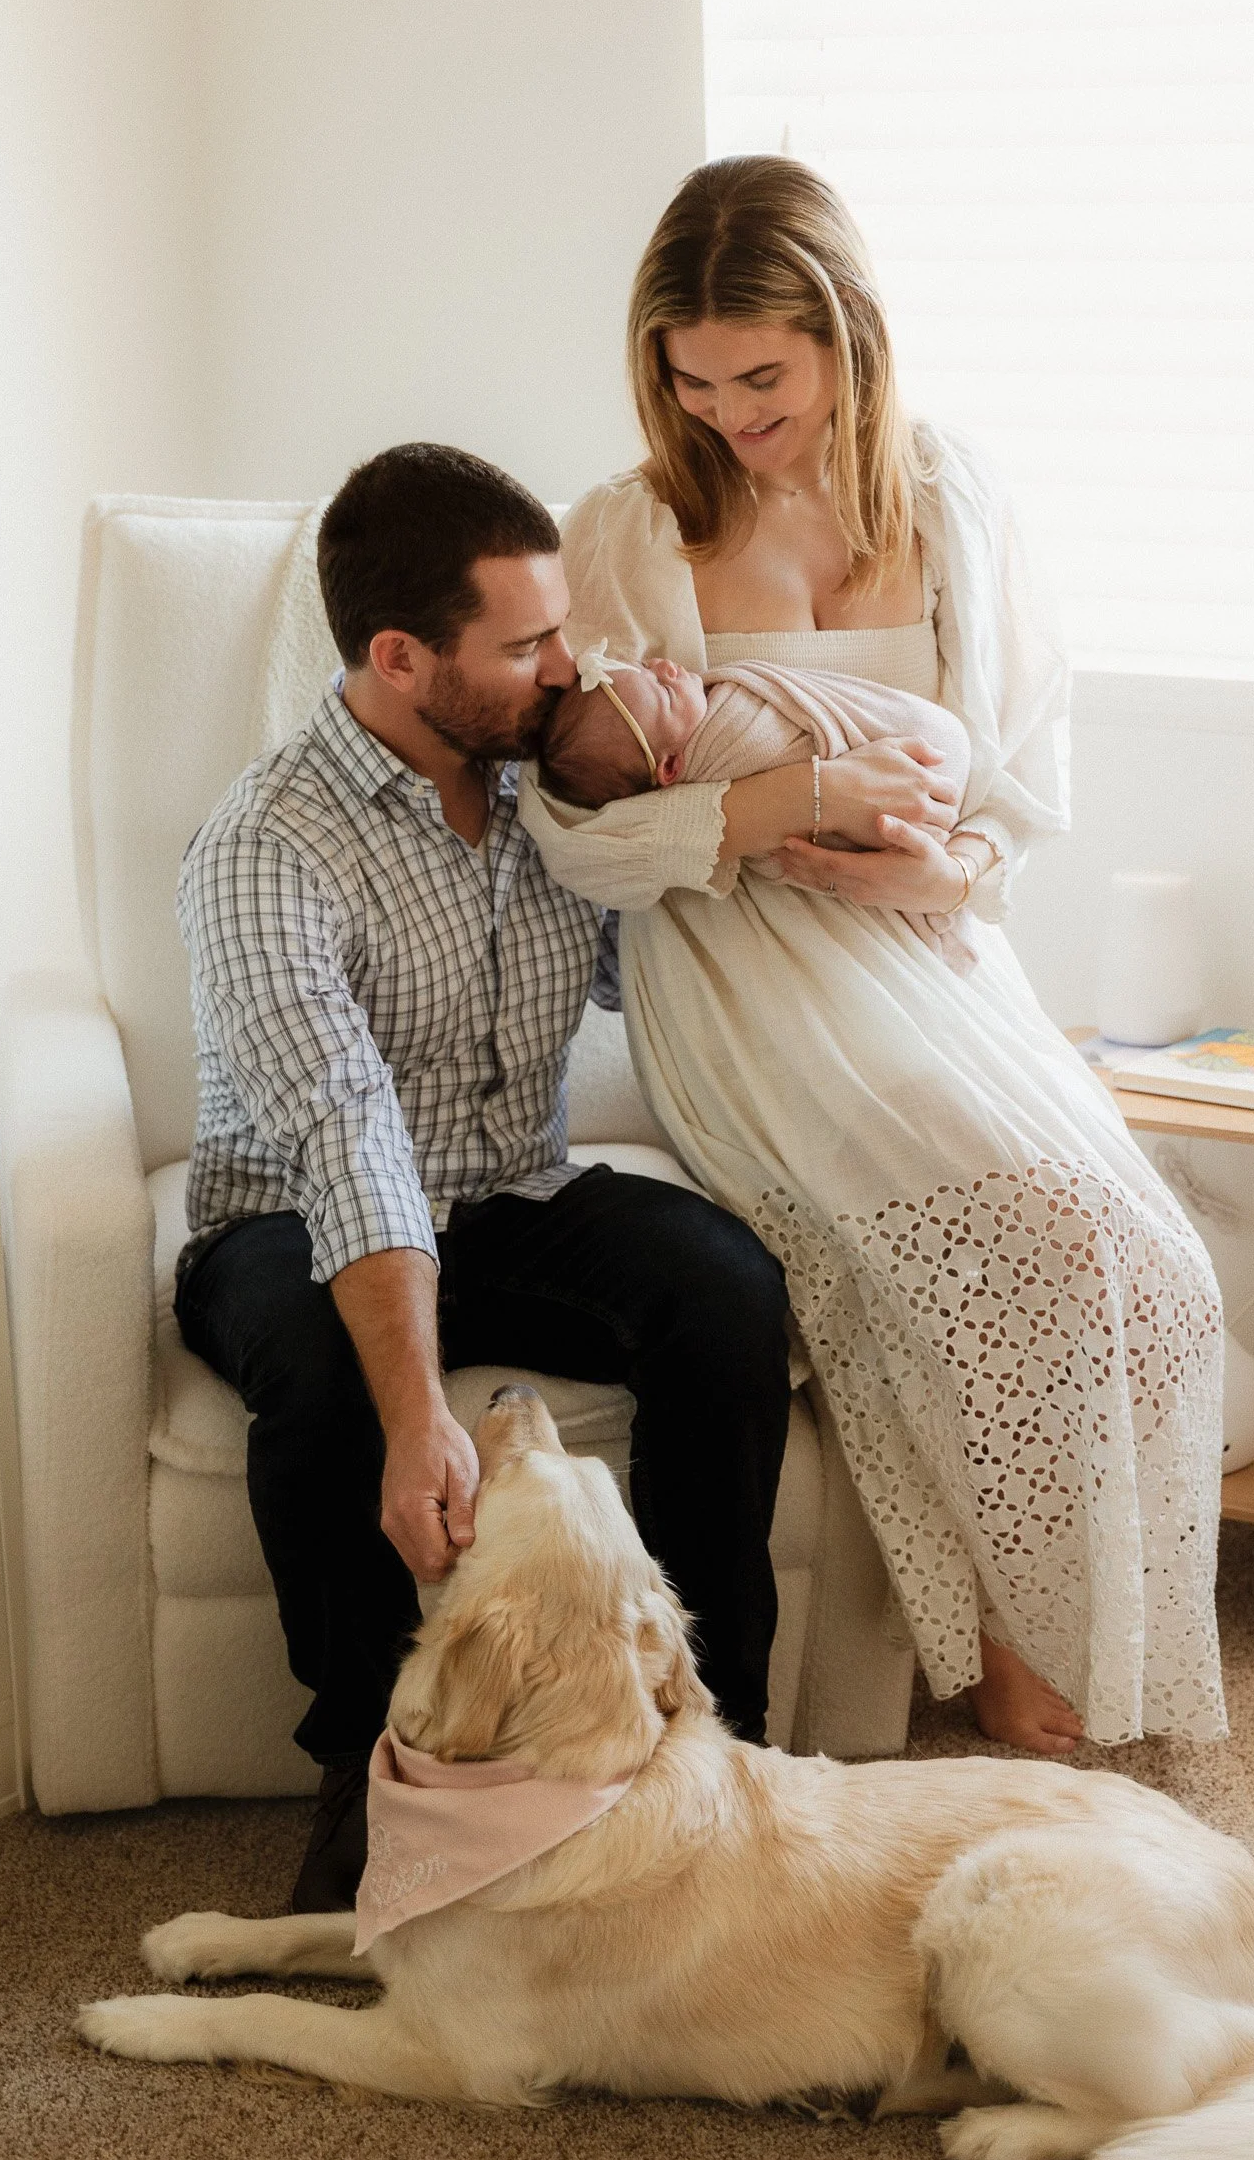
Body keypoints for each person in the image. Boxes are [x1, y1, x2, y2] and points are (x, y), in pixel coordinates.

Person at [518, 157, 1228, 1757]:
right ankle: (992, 1643)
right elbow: (567, 831)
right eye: (689, 382)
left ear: (846, 340)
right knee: (991, 1235)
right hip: (740, 969)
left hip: (926, 947)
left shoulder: (952, 502)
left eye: (759, 377)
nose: (724, 415)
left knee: (1156, 1267)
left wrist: (948, 858)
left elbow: (1019, 776)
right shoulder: (626, 534)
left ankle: (1084, 1628)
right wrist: (776, 804)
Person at [175, 443, 831, 1913]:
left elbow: (678, 964)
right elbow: (347, 1142)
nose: (563, 667)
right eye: (526, 643)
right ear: (403, 659)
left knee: (726, 1292)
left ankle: (706, 1739)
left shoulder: (549, 797)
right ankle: (366, 1769)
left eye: (563, 632)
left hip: (514, 1191)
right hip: (292, 1218)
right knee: (330, 1383)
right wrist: (420, 1422)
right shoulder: (266, 847)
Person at [536, 641, 976, 967]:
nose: (667, 666)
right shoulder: (724, 739)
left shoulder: (705, 703)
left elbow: (1010, 794)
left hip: (947, 841)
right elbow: (580, 848)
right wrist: (820, 792)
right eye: (663, 691)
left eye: (649, 667)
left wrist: (957, 878)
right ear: (671, 769)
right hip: (774, 943)